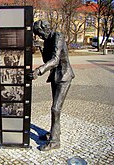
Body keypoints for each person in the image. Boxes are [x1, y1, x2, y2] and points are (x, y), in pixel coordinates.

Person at [29, 20, 75, 151]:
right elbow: (47, 60)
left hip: (64, 76)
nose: (40, 36)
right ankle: (54, 132)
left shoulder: (58, 37)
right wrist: (40, 47)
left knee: (56, 108)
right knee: (55, 108)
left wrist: (38, 71)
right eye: (38, 35)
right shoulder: (48, 40)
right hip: (55, 76)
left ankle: (55, 141)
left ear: (45, 29)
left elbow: (55, 60)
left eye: (39, 33)